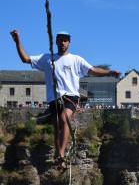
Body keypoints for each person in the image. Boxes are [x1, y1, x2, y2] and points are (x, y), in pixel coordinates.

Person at [10, 29, 120, 169]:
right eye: (60, 39)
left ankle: (61, 154)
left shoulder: (76, 59)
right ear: (56, 41)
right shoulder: (47, 58)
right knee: (57, 128)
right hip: (54, 100)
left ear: (69, 42)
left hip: (71, 96)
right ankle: (59, 157)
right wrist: (17, 41)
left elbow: (93, 70)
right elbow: (25, 59)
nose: (62, 42)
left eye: (65, 40)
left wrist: (110, 72)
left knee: (64, 119)